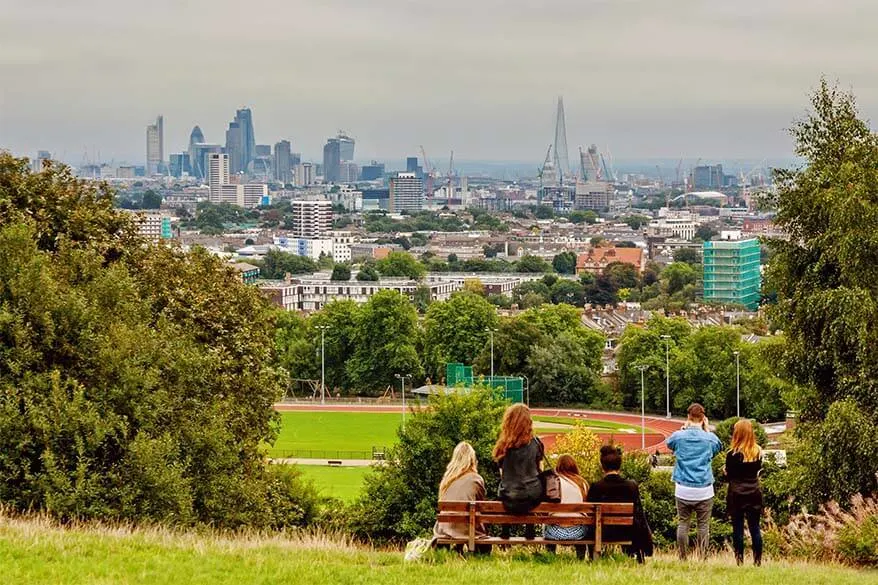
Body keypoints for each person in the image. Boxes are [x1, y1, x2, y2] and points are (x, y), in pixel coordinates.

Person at [665, 403, 723, 559]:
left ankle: (683, 556)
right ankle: (702, 556)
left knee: (683, 523)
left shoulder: (679, 436)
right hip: (704, 488)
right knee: (703, 526)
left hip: (683, 488)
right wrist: (707, 430)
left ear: (688, 417)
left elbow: (669, 443)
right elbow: (718, 447)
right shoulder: (710, 439)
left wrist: (684, 429)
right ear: (703, 418)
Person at [587, 445, 653, 562]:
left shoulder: (596, 487)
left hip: (602, 532)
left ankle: (593, 557)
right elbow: (638, 513)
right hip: (628, 532)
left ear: (602, 466)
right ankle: (636, 557)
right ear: (619, 466)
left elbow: (589, 512)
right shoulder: (631, 486)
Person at [493, 403, 543, 539]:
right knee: (534, 487)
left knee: (505, 488)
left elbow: (502, 474)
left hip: (509, 497)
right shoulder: (536, 443)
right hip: (532, 497)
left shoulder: (503, 445)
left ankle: (505, 533)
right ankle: (530, 532)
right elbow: (540, 470)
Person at [433, 441, 491, 554]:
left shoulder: (446, 480)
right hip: (468, 529)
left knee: (462, 521)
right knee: (473, 525)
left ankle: (456, 549)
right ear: (472, 459)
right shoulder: (476, 479)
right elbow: (480, 507)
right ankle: (464, 550)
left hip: (445, 529)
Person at [726, 419, 763, 566]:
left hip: (736, 493)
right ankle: (757, 561)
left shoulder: (732, 454)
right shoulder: (758, 451)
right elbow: (757, 470)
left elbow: (729, 475)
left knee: (738, 528)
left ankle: (739, 560)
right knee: (755, 527)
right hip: (754, 491)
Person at [544, 454, 589, 559]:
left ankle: (550, 556)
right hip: (578, 533)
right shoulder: (582, 483)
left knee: (547, 523)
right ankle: (580, 558)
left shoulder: (552, 483)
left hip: (555, 533)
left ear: (558, 466)